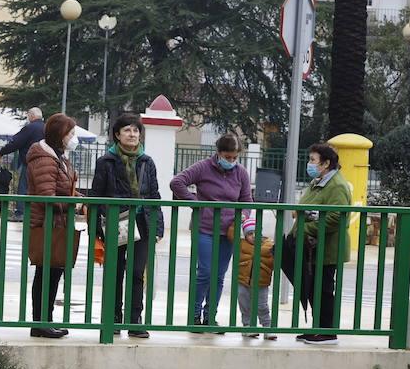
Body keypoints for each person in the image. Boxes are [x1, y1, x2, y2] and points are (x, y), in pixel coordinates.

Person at [90, 113, 164, 339]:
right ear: (117, 135)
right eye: (127, 130)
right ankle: (113, 319)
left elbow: (154, 195)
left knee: (136, 273)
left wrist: (158, 227)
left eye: (135, 130)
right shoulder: (106, 162)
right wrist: (97, 228)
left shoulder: (146, 161)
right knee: (115, 272)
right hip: (116, 222)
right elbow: (97, 195)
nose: (132, 135)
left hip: (142, 223)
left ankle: (135, 321)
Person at [169, 133, 253, 330]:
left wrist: (243, 216)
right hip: (204, 228)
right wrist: (195, 203)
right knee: (205, 272)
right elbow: (177, 182)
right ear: (218, 153)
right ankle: (195, 315)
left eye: (235, 157)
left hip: (229, 231)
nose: (231, 161)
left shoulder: (241, 172)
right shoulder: (203, 167)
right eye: (227, 157)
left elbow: (247, 199)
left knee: (218, 275)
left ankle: (210, 316)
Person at [24, 113, 79, 339]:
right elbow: (49, 195)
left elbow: (65, 190)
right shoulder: (45, 159)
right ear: (60, 135)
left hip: (57, 223)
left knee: (53, 273)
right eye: (71, 133)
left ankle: (46, 321)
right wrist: (74, 204)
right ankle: (41, 323)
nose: (73, 138)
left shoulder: (58, 157)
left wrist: (81, 199)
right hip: (47, 224)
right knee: (46, 274)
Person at [293, 142, 352, 345]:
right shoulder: (319, 181)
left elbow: (336, 217)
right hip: (313, 247)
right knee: (312, 287)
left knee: (324, 289)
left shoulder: (337, 185)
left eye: (313, 160)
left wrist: (305, 228)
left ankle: (327, 332)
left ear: (326, 163)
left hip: (328, 247)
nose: (309, 163)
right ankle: (318, 328)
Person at [0, 107, 45, 222]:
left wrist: (2, 152)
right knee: (40, 189)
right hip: (45, 164)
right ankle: (38, 214)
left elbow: (16, 143)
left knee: (24, 188)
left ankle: (20, 213)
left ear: (31, 116)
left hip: (30, 163)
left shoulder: (29, 128)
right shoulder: (47, 128)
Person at [234, 222, 277, 340]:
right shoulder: (241, 244)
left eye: (255, 232)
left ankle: (267, 328)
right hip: (243, 281)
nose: (253, 236)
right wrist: (237, 220)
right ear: (245, 236)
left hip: (261, 282)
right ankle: (248, 326)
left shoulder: (269, 245)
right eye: (249, 234)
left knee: (262, 306)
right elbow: (231, 234)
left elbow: (274, 262)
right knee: (244, 304)